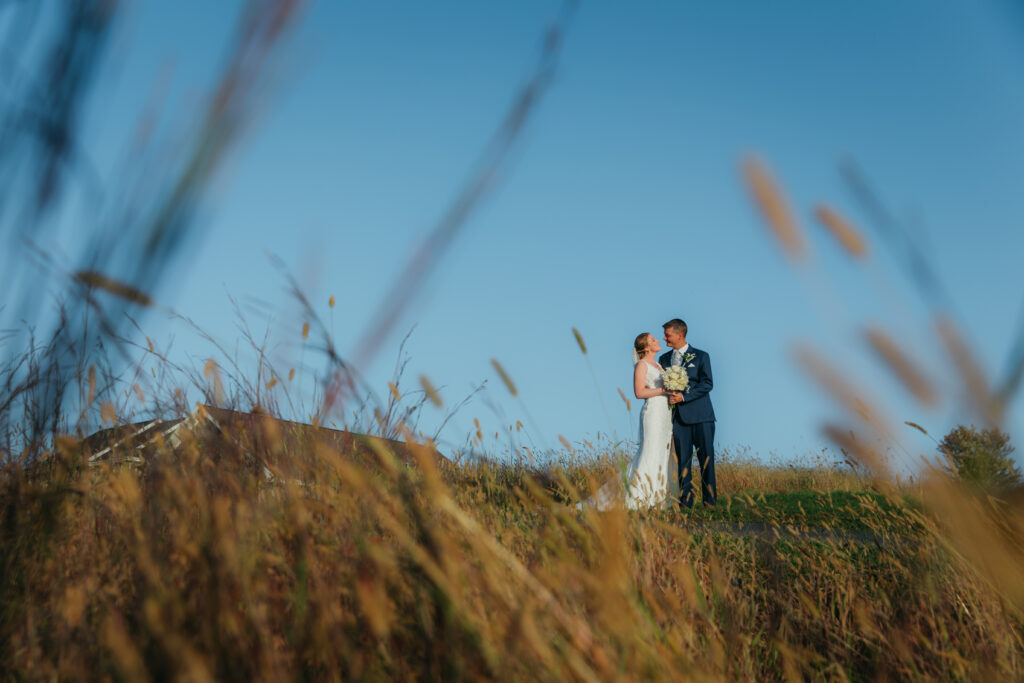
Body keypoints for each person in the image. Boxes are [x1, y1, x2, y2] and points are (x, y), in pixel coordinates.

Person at [579, 332, 674, 510]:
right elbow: (639, 393)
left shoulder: (659, 365)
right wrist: (663, 390)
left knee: (663, 454)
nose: (657, 341)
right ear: (646, 347)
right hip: (653, 413)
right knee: (649, 452)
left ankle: (659, 497)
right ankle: (639, 496)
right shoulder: (642, 365)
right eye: (653, 340)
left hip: (666, 414)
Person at [659, 318, 717, 508]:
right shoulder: (664, 359)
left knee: (706, 459)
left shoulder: (701, 356)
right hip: (678, 420)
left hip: (702, 417)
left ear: (680, 334)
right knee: (683, 461)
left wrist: (683, 397)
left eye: (668, 335)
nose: (665, 338)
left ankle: (710, 502)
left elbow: (707, 384)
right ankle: (686, 502)